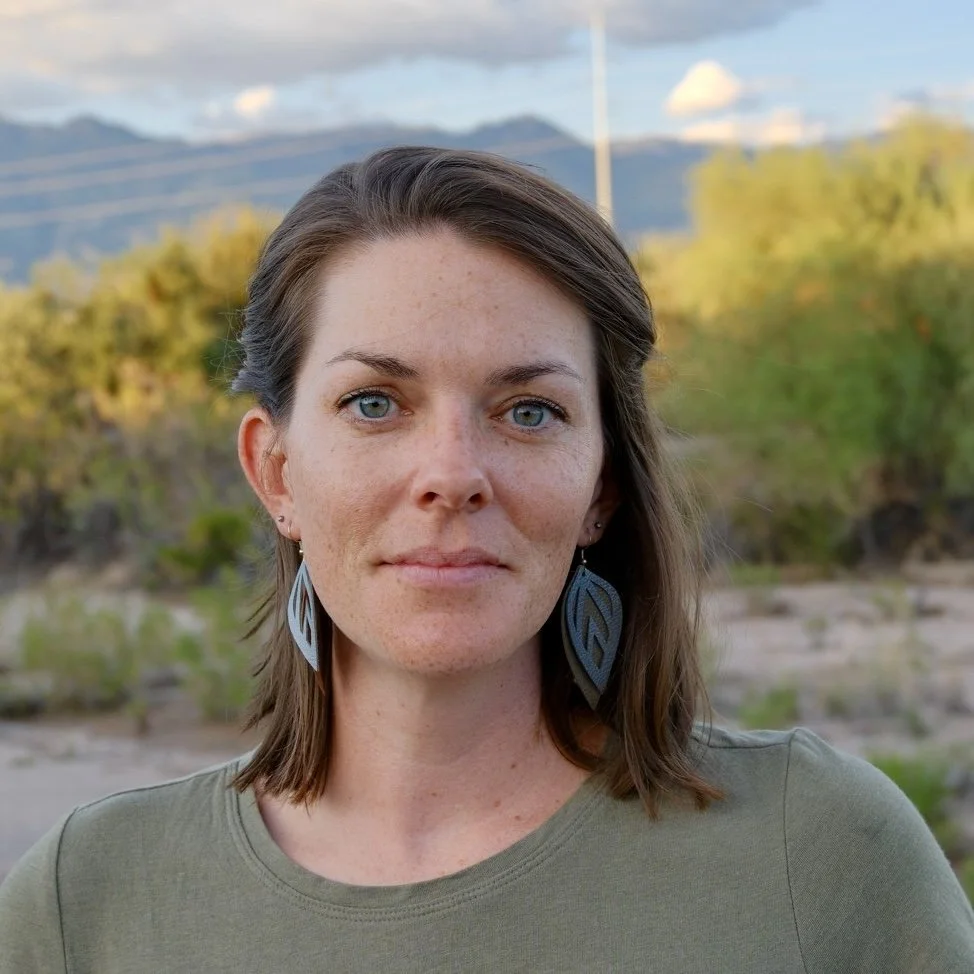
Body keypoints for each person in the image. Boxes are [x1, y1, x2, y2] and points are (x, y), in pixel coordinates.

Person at [1, 146, 972, 973]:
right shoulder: (88, 898)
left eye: (529, 410)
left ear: (601, 487)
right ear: (276, 470)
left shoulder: (819, 851)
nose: (452, 475)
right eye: (375, 402)